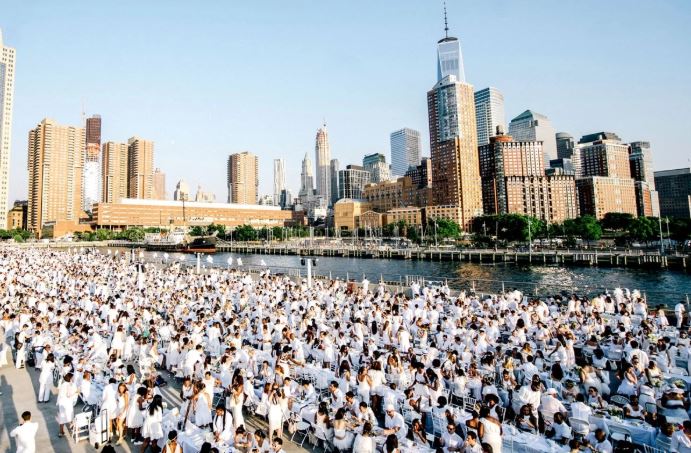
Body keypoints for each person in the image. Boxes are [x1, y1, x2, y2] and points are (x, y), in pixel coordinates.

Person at [56, 372, 78, 437]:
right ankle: (72, 430)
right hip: (67, 403)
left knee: (62, 417)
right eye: (72, 378)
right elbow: (69, 395)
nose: (73, 379)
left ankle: (61, 432)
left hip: (61, 402)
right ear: (70, 378)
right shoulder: (70, 385)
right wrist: (76, 392)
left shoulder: (63, 384)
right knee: (70, 416)